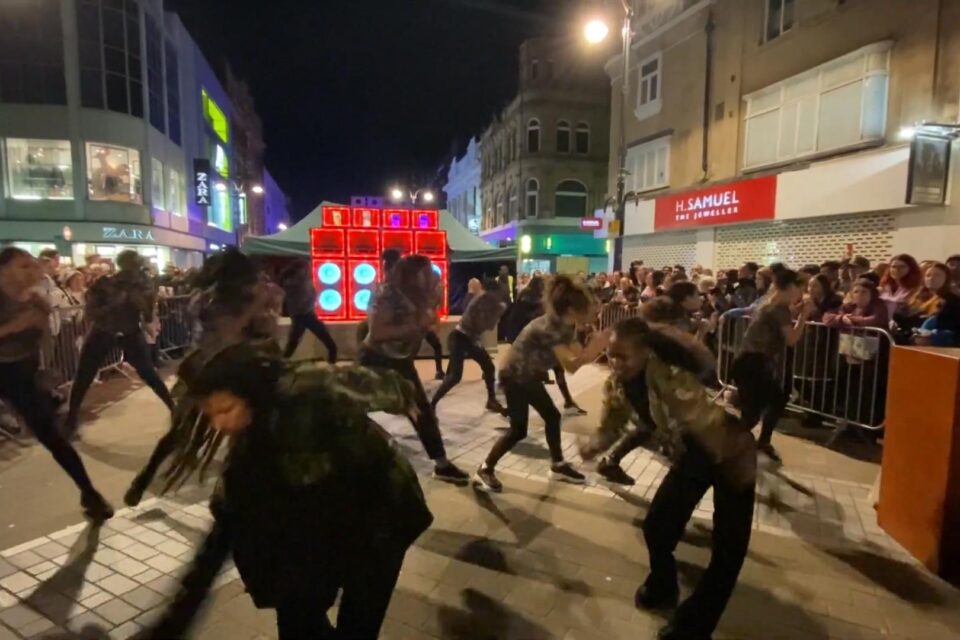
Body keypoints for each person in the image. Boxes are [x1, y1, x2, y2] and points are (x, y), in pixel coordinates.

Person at [136, 344, 433, 640]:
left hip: (383, 516)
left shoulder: (308, 386)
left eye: (225, 410)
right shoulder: (250, 452)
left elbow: (387, 385)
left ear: (249, 393)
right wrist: (174, 623)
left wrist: (403, 396)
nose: (219, 424)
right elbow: (221, 535)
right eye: (211, 414)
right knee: (297, 621)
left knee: (359, 621)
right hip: (321, 526)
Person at [581, 318, 756, 640]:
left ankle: (694, 627)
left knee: (727, 551)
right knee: (657, 527)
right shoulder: (618, 384)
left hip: (731, 454)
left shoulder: (667, 375)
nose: (615, 363)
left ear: (646, 352)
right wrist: (593, 446)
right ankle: (663, 586)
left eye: (623, 356)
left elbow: (703, 423)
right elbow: (612, 422)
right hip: (696, 453)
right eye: (611, 355)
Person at [123, 250, 280, 506]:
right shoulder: (214, 300)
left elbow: (264, 333)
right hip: (212, 368)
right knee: (184, 430)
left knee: (242, 433)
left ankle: (235, 492)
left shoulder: (242, 297)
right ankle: (146, 477)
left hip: (233, 367)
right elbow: (229, 327)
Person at [0, 248, 112, 520]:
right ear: (3, 271)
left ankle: (90, 494)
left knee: (53, 437)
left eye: (31, 265)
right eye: (22, 266)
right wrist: (13, 327)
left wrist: (43, 371)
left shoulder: (38, 303)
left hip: (19, 376)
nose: (32, 270)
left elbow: (40, 343)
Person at [474, 275, 610, 492]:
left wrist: (596, 346)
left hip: (528, 375)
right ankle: (486, 468)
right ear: (572, 310)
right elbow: (572, 366)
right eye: (589, 308)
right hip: (516, 376)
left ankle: (557, 465)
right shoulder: (551, 329)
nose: (595, 312)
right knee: (519, 430)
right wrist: (598, 347)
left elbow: (579, 354)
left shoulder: (565, 324)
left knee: (552, 417)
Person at [359, 255, 468, 484]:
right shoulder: (387, 293)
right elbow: (377, 332)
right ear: (411, 274)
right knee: (358, 407)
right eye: (426, 273)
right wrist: (416, 325)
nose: (431, 277)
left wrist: (431, 308)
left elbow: (430, 325)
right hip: (377, 359)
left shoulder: (417, 296)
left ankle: (441, 465)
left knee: (423, 412)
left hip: (401, 361)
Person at [64, 250, 175, 435]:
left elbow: (147, 314)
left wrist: (141, 300)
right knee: (84, 374)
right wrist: (117, 302)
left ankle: (174, 409)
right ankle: (71, 418)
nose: (136, 271)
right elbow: (91, 313)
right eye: (134, 266)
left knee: (148, 373)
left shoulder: (143, 285)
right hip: (103, 331)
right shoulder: (105, 284)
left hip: (129, 332)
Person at [731, 268, 813, 464]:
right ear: (791, 287)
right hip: (753, 363)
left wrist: (797, 310)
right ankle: (728, 445)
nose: (801, 293)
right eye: (800, 288)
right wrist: (804, 316)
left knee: (775, 398)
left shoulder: (769, 303)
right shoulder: (778, 308)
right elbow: (791, 339)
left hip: (750, 361)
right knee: (752, 414)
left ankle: (758, 442)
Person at [431, 279, 507, 414]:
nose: (500, 296)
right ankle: (431, 404)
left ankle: (491, 400)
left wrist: (496, 312)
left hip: (470, 338)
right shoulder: (479, 302)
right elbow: (485, 326)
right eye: (497, 293)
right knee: (454, 377)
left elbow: (486, 327)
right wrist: (496, 313)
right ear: (490, 293)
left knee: (489, 367)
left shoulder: (492, 303)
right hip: (459, 337)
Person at [279, 259, 337, 363]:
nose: (309, 270)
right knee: (330, 345)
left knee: (292, 345)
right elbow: (306, 299)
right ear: (301, 270)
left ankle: (279, 364)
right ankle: (332, 366)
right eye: (306, 268)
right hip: (306, 316)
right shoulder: (299, 283)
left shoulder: (293, 283)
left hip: (302, 316)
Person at [824, 279, 889, 330]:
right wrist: (841, 318)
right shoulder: (850, 306)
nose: (860, 294)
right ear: (852, 295)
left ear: (871, 294)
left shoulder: (879, 304)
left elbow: (875, 320)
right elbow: (827, 317)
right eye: (856, 292)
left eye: (864, 291)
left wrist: (851, 319)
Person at [880, 253, 922, 319]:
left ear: (911, 268)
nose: (897, 270)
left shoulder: (916, 289)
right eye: (893, 267)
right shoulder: (884, 287)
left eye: (902, 267)